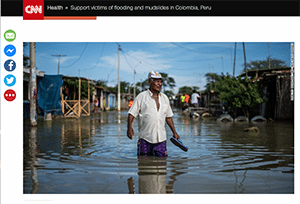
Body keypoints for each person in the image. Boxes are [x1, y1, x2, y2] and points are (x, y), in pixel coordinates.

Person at [127, 71, 180, 157]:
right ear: (150, 82)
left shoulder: (165, 98)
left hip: (161, 139)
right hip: (145, 138)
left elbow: (168, 117)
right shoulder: (142, 96)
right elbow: (131, 114)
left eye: (161, 81)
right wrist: (129, 128)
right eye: (157, 81)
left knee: (162, 164)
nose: (160, 84)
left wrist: (174, 132)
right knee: (143, 163)